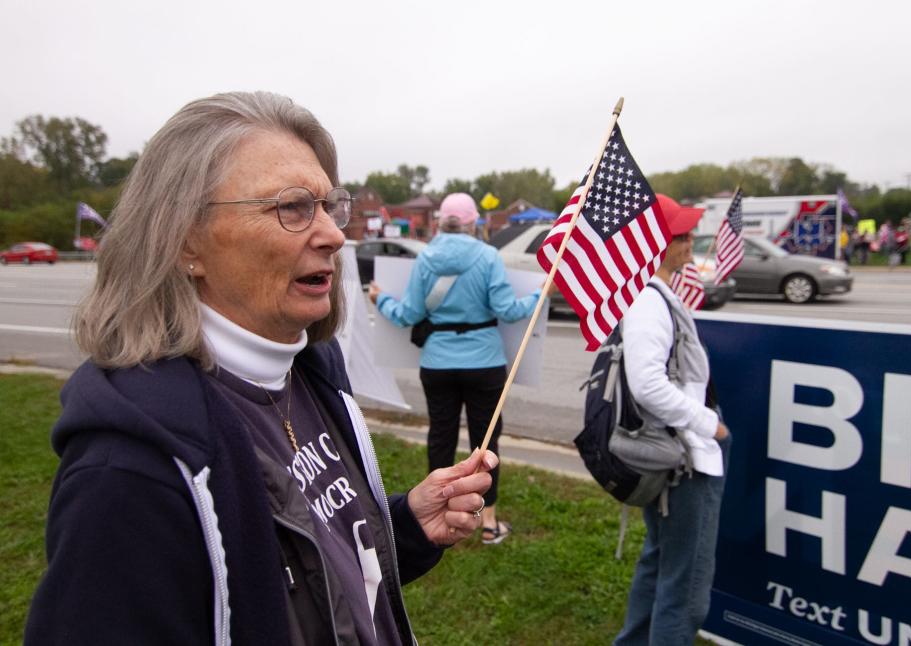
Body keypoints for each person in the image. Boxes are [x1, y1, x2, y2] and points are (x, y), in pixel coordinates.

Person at [24, 91, 498, 646]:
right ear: (184, 240)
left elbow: (308, 568)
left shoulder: (312, 374)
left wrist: (407, 528)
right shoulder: (128, 474)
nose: (334, 234)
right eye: (292, 207)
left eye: (328, 205)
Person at [368, 193, 539, 544]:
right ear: (473, 222)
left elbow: (408, 315)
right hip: (485, 362)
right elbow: (508, 310)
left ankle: (438, 514)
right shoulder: (488, 256)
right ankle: (488, 520)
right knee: (486, 440)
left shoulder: (426, 258)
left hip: (437, 363)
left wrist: (380, 298)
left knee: (440, 436)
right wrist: (540, 295)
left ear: (440, 222)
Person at [614, 194, 731, 646]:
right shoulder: (648, 301)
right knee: (684, 592)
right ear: (656, 244)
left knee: (661, 563)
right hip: (684, 456)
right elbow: (646, 384)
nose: (689, 243)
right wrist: (709, 426)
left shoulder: (655, 293)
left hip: (677, 450)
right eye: (680, 235)